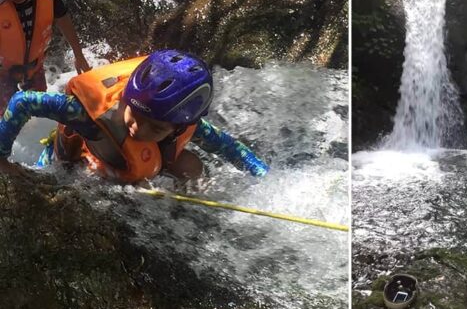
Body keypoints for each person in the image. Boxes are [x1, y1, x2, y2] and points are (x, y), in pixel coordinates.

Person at [0, 49, 269, 183]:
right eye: (134, 113)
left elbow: (230, 148)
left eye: (155, 128)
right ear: (127, 99)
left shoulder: (184, 122)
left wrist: (263, 177)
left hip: (126, 164)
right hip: (77, 160)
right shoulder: (86, 115)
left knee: (193, 169)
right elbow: (23, 101)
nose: (137, 128)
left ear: (177, 128)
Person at [0, 0, 90, 111]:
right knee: (6, 114)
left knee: (39, 107)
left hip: (34, 66)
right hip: (2, 72)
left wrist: (78, 55)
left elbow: (64, 20)